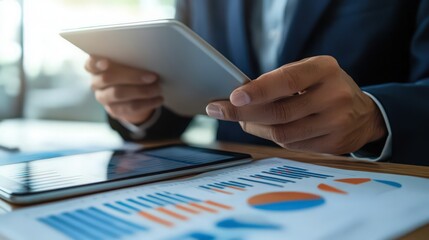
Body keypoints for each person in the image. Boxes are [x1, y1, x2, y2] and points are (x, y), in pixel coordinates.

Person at [85, 0, 429, 166]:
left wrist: (374, 117)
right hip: (228, 185)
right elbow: (185, 98)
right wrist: (139, 108)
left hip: (372, 181)